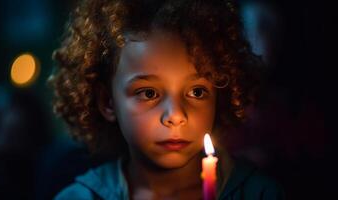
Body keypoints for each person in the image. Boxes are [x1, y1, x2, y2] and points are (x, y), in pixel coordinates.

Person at [49, 0, 284, 199]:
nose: (175, 115)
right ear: (107, 102)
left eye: (197, 92)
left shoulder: (259, 193)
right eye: (149, 93)